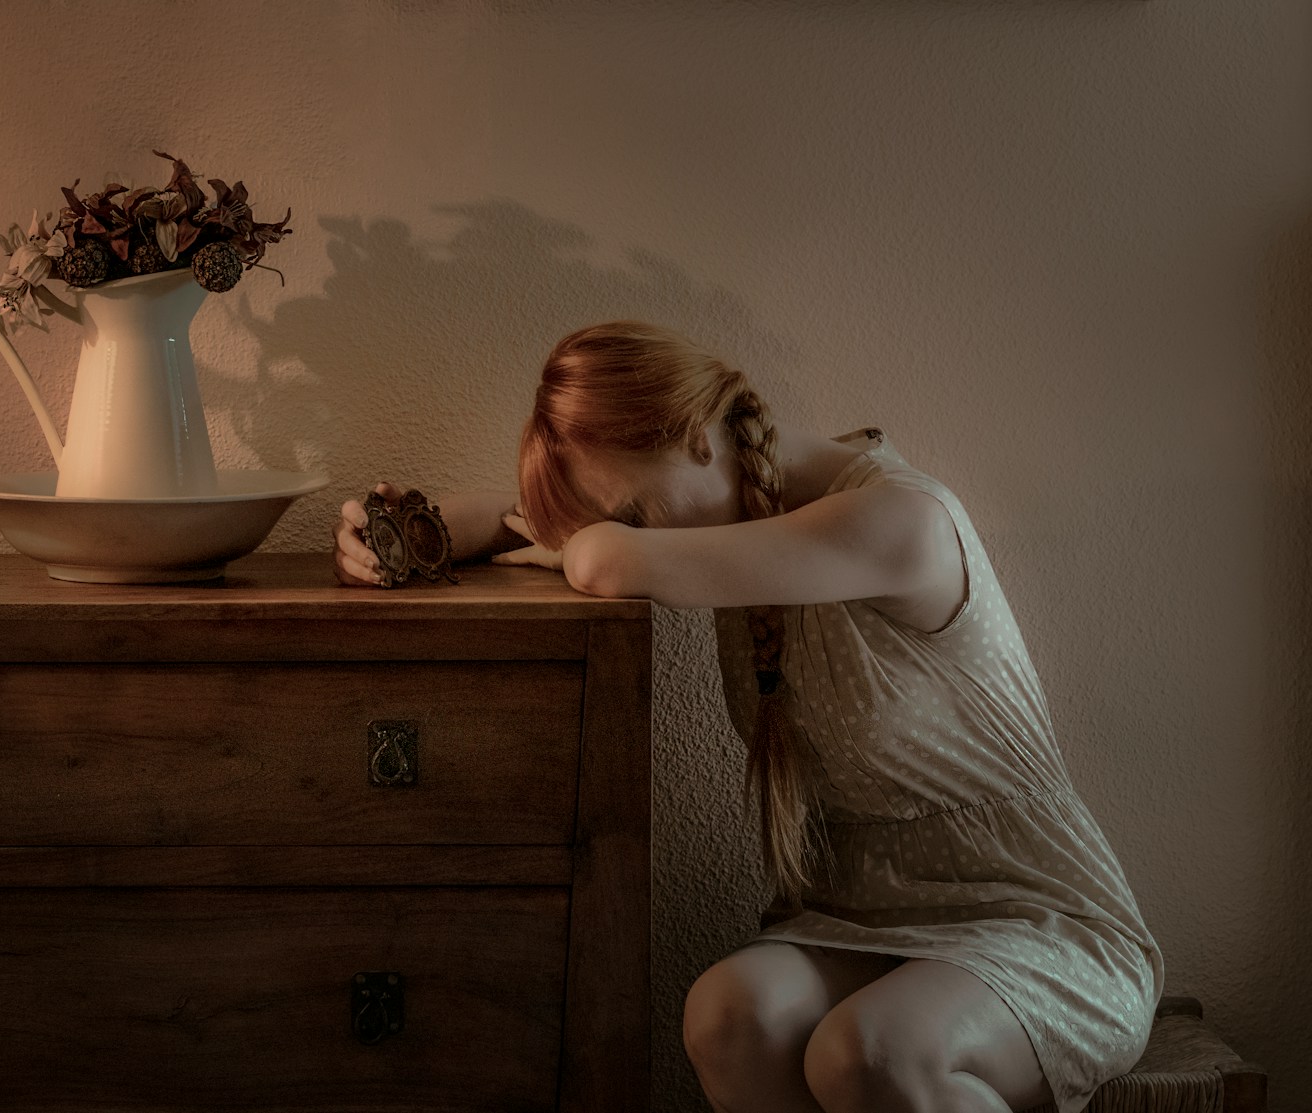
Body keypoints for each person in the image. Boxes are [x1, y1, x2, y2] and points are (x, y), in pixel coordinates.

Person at [330, 321, 1162, 1113]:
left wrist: (593, 539)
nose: (618, 539)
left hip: (1037, 924)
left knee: (869, 1051)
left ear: (696, 435)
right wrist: (406, 533)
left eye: (631, 513)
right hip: (861, 912)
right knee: (728, 1015)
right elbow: (529, 527)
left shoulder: (899, 520)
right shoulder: (741, 520)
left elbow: (599, 557)